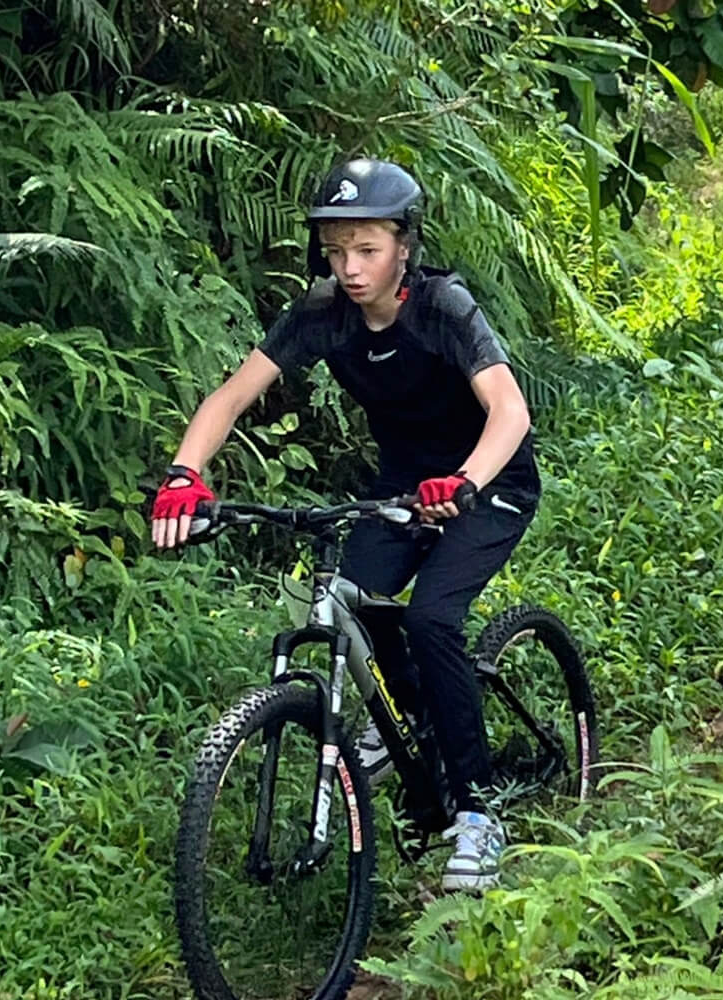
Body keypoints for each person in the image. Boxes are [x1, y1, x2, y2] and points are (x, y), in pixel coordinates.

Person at [149, 158, 539, 894]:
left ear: (404, 246)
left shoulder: (443, 308)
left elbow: (509, 412)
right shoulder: (323, 314)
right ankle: (409, 720)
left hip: (492, 480)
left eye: (367, 249)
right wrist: (184, 474)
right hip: (399, 487)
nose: (351, 268)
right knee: (352, 598)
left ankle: (481, 813)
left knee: (431, 620)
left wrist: (463, 482)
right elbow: (229, 398)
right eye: (336, 251)